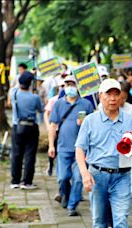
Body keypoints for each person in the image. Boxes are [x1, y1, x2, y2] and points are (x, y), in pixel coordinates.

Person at [75, 79, 132, 227]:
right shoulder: (90, 120)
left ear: (121, 96)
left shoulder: (129, 120)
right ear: (100, 96)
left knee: (121, 220)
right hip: (98, 175)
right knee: (99, 222)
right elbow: (79, 149)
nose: (112, 98)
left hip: (122, 176)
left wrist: (131, 150)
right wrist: (85, 174)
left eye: (116, 94)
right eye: (108, 94)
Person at [48, 76, 94, 216]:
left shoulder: (86, 104)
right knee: (63, 177)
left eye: (72, 84)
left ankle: (72, 205)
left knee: (79, 178)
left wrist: (86, 122)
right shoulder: (58, 104)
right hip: (63, 148)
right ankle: (65, 195)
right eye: (67, 84)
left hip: (81, 149)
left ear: (78, 86)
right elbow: (53, 125)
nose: (70, 87)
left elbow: (94, 125)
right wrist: (51, 145)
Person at [10, 71, 43, 190]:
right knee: (29, 154)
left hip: (17, 126)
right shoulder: (35, 97)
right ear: (30, 83)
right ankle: (27, 182)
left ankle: (15, 181)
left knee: (16, 154)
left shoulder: (13, 94)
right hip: (31, 127)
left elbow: (14, 88)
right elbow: (41, 109)